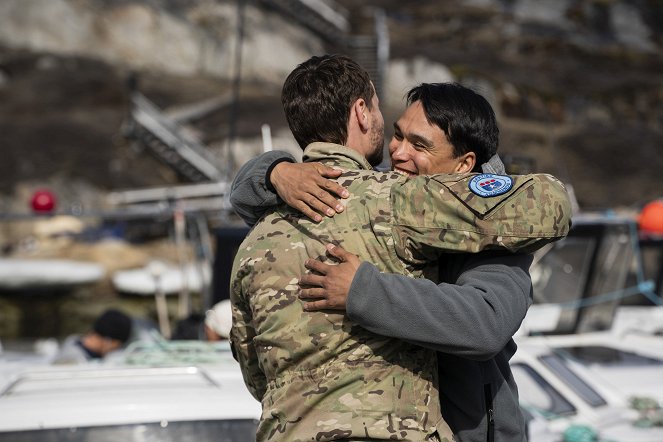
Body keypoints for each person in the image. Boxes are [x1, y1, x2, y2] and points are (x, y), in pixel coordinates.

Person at [230, 55, 570, 442]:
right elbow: (242, 194)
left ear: (464, 166)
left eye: (419, 144)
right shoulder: (384, 200)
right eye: (398, 135)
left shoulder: (493, 237)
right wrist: (277, 172)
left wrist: (363, 290)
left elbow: (485, 324)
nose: (399, 152)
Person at [53, 308, 133, 364]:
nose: (114, 350)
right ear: (109, 341)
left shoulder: (82, 352)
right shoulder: (71, 360)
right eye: (117, 346)